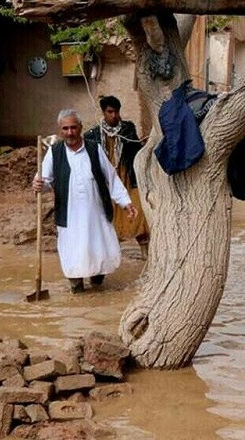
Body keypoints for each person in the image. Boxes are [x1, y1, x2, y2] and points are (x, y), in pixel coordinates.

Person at [33, 109, 138, 293]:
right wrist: (39, 185)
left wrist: (126, 203)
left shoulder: (94, 148)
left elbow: (111, 178)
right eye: (65, 128)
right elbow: (45, 181)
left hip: (95, 213)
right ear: (60, 131)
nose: (70, 132)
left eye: (73, 127)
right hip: (70, 215)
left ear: (80, 128)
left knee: (98, 253)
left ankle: (97, 285)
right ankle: (76, 287)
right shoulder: (54, 153)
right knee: (73, 254)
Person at [84, 96, 150, 259]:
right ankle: (110, 254)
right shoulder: (93, 134)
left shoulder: (128, 130)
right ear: (103, 112)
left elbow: (136, 151)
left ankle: (144, 251)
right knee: (108, 215)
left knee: (137, 210)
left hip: (127, 177)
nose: (113, 115)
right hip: (106, 181)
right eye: (110, 112)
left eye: (116, 111)